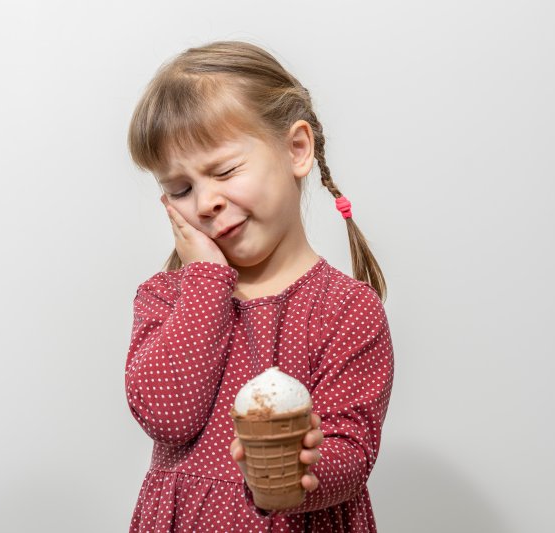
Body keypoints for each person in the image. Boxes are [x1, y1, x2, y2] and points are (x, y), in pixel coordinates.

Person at [124, 40, 395, 532]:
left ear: (297, 149)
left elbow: (353, 455)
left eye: (224, 170)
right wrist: (205, 281)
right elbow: (167, 417)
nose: (204, 202)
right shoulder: (167, 298)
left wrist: (302, 468)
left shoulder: (346, 309)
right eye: (180, 189)